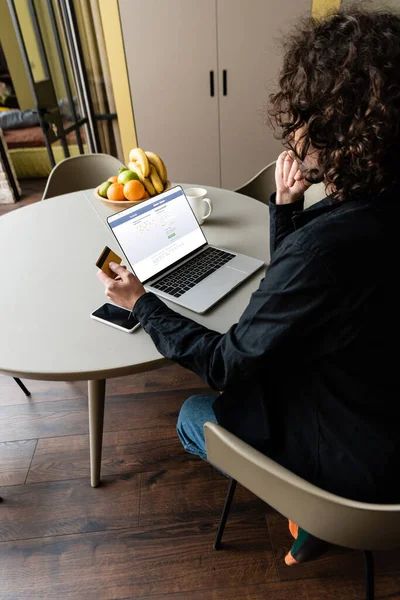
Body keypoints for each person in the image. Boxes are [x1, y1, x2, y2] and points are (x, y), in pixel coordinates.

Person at [97, 6, 400, 565]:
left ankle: (313, 513)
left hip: (361, 476)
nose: (293, 130)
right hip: (380, 405)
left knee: (193, 417)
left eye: (304, 115)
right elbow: (311, 297)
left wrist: (144, 303)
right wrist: (287, 205)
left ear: (339, 127)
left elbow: (226, 363)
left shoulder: (328, 245)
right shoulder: (370, 207)